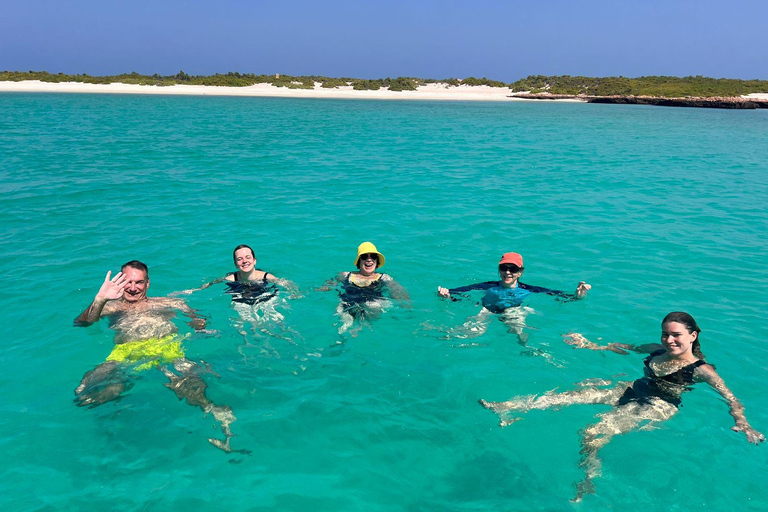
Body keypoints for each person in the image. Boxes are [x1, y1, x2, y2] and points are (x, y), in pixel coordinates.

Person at [479, 312, 764, 502]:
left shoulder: (702, 370)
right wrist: (591, 345)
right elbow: (625, 346)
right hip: (634, 388)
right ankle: (509, 407)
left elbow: (732, 398)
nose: (670, 339)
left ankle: (590, 475)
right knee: (571, 395)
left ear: (693, 335)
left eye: (676, 334)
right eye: (666, 334)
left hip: (659, 404)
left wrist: (743, 422)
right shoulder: (656, 348)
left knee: (591, 432)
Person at [73, 260, 236, 452]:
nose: (133, 288)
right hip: (127, 352)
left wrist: (200, 326)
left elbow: (197, 320)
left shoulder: (169, 303)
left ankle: (220, 420)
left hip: (167, 348)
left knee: (191, 386)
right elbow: (82, 324)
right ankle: (112, 434)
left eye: (139, 282)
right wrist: (99, 299)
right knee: (87, 392)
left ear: (147, 283)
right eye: (128, 282)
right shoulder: (111, 307)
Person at [436, 252, 590, 344]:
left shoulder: (528, 289)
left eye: (513, 269)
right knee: (475, 332)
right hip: (488, 310)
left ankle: (529, 351)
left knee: (517, 329)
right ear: (499, 269)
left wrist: (578, 297)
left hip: (513, 311)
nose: (508, 272)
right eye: (504, 268)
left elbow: (556, 295)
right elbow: (460, 291)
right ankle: (441, 335)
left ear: (520, 272)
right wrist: (446, 295)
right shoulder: (487, 286)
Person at [175, 244, 300, 347]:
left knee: (276, 323)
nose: (244, 261)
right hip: (241, 299)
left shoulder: (266, 276)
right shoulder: (231, 278)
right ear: (235, 264)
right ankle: (253, 350)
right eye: (240, 259)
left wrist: (295, 292)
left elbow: (285, 282)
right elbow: (210, 284)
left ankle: (289, 340)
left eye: (248, 257)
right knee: (245, 329)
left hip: (265, 297)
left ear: (254, 260)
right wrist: (189, 291)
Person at [318, 242, 410, 335]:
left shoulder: (384, 277)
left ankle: (360, 327)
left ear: (377, 261)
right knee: (341, 315)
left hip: (373, 305)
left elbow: (399, 293)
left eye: (373, 256)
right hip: (348, 303)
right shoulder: (345, 275)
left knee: (373, 306)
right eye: (364, 256)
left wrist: (407, 308)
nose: (369, 260)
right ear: (359, 261)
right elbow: (327, 286)